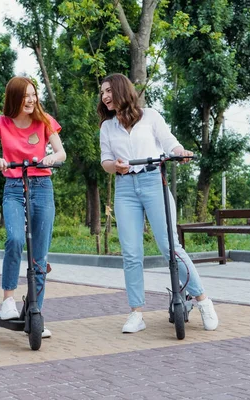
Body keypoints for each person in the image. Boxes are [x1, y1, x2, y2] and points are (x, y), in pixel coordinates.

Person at [97, 73, 219, 333]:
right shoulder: (107, 127)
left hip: (154, 182)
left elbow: (170, 143)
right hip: (125, 187)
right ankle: (136, 313)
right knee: (131, 253)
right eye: (102, 93)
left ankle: (203, 300)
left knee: (170, 247)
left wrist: (181, 153)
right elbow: (105, 161)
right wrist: (115, 166)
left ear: (121, 90)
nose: (104, 96)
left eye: (108, 91)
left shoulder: (150, 116)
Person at [0, 76, 66, 338]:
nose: (31, 100)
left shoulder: (44, 121)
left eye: (34, 94)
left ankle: (35, 312)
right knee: (15, 238)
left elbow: (61, 152)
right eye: (26, 95)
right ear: (14, 98)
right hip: (14, 188)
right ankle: (8, 298)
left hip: (42, 187)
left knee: (39, 255)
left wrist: (50, 159)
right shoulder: (0, 122)